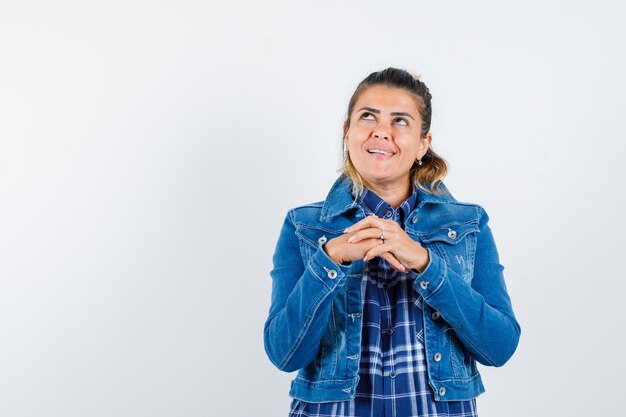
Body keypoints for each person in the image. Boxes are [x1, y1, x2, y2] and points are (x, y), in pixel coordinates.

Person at [263, 67, 520, 417]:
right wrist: (330, 258)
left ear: (422, 145)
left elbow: (499, 347)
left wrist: (426, 264)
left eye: (400, 121)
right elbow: (284, 353)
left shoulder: (469, 224)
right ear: (348, 133)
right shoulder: (304, 226)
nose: (381, 131)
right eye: (367, 117)